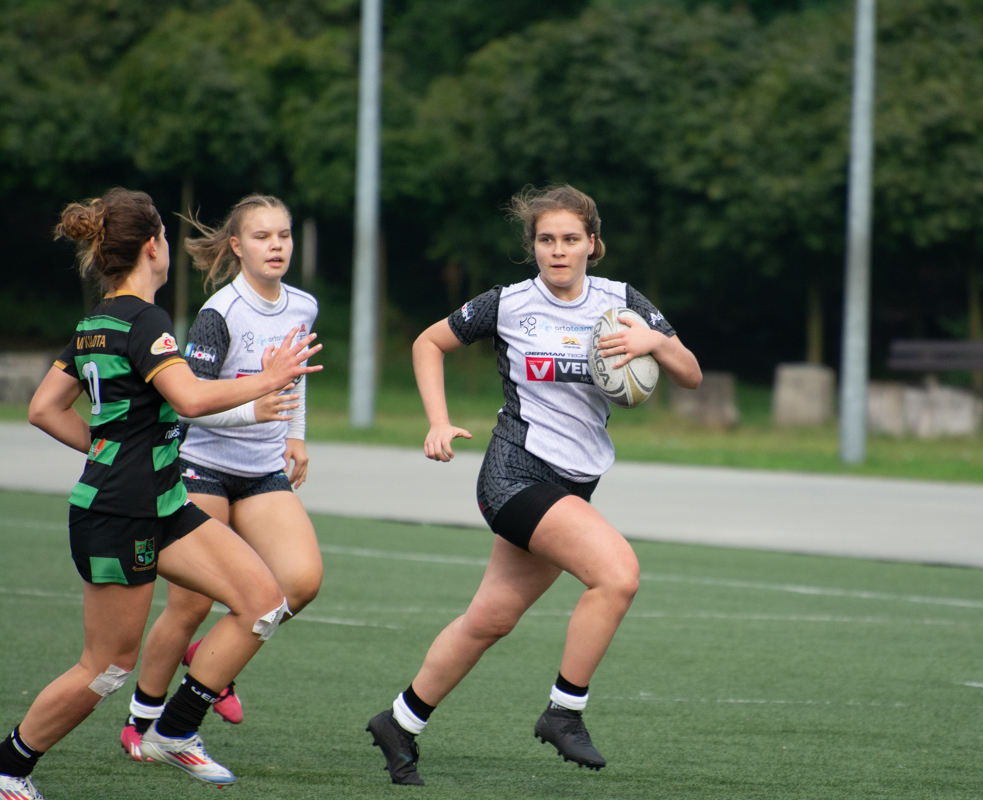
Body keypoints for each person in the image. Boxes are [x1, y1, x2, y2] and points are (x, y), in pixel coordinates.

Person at [365, 184, 702, 786]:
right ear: (534, 246)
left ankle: (399, 722)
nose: (558, 250)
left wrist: (653, 342)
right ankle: (564, 712)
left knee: (489, 620)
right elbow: (428, 343)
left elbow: (691, 374)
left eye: (571, 239)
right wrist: (438, 420)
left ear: (592, 244)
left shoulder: (623, 302)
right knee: (618, 575)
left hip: (575, 484)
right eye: (546, 239)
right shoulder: (509, 304)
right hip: (515, 475)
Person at [0, 188, 321, 800]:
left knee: (261, 602)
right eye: (166, 239)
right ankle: (10, 767)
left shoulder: (97, 321)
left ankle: (173, 731)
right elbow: (191, 398)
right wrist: (269, 381)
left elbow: (44, 408)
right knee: (106, 667)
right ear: (153, 247)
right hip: (119, 513)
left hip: (164, 501)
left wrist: (107, 448)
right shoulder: (145, 320)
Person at [119, 195, 322, 762]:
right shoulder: (220, 312)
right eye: (262, 236)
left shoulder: (303, 305)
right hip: (202, 467)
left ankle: (213, 656)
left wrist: (295, 434)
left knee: (301, 583)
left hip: (261, 472)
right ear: (236, 246)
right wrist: (254, 411)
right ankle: (141, 720)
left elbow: (295, 375)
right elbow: (190, 405)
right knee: (188, 605)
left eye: (283, 235)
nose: (276, 245)